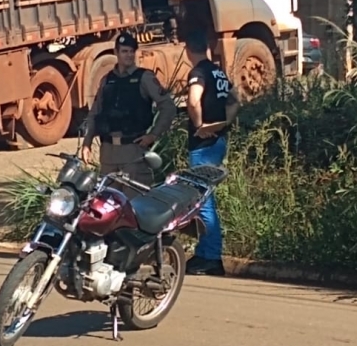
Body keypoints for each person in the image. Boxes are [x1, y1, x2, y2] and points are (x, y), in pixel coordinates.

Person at [81, 32, 175, 198]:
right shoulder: (107, 80)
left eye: (132, 51)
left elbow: (167, 106)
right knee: (108, 206)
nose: (129, 55)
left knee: (134, 207)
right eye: (124, 51)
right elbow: (95, 112)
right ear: (116, 53)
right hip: (108, 155)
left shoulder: (144, 77)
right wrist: (87, 143)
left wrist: (153, 135)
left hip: (134, 153)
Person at [184, 29, 240, 276]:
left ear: (188, 51)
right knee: (203, 199)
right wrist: (223, 123)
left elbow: (193, 100)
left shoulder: (198, 73)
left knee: (203, 201)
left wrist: (200, 127)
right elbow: (235, 100)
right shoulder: (219, 72)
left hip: (203, 146)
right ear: (206, 48)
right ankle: (205, 253)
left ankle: (211, 257)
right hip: (218, 142)